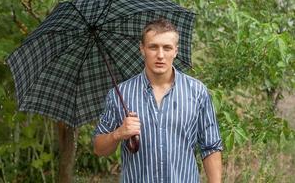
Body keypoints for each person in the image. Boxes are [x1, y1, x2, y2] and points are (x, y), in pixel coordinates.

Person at [93, 18, 223, 183]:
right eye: (153, 47)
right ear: (142, 49)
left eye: (167, 48)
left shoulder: (197, 92)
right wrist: (118, 134)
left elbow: (210, 147)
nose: (160, 55)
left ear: (175, 51)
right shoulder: (121, 94)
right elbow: (99, 148)